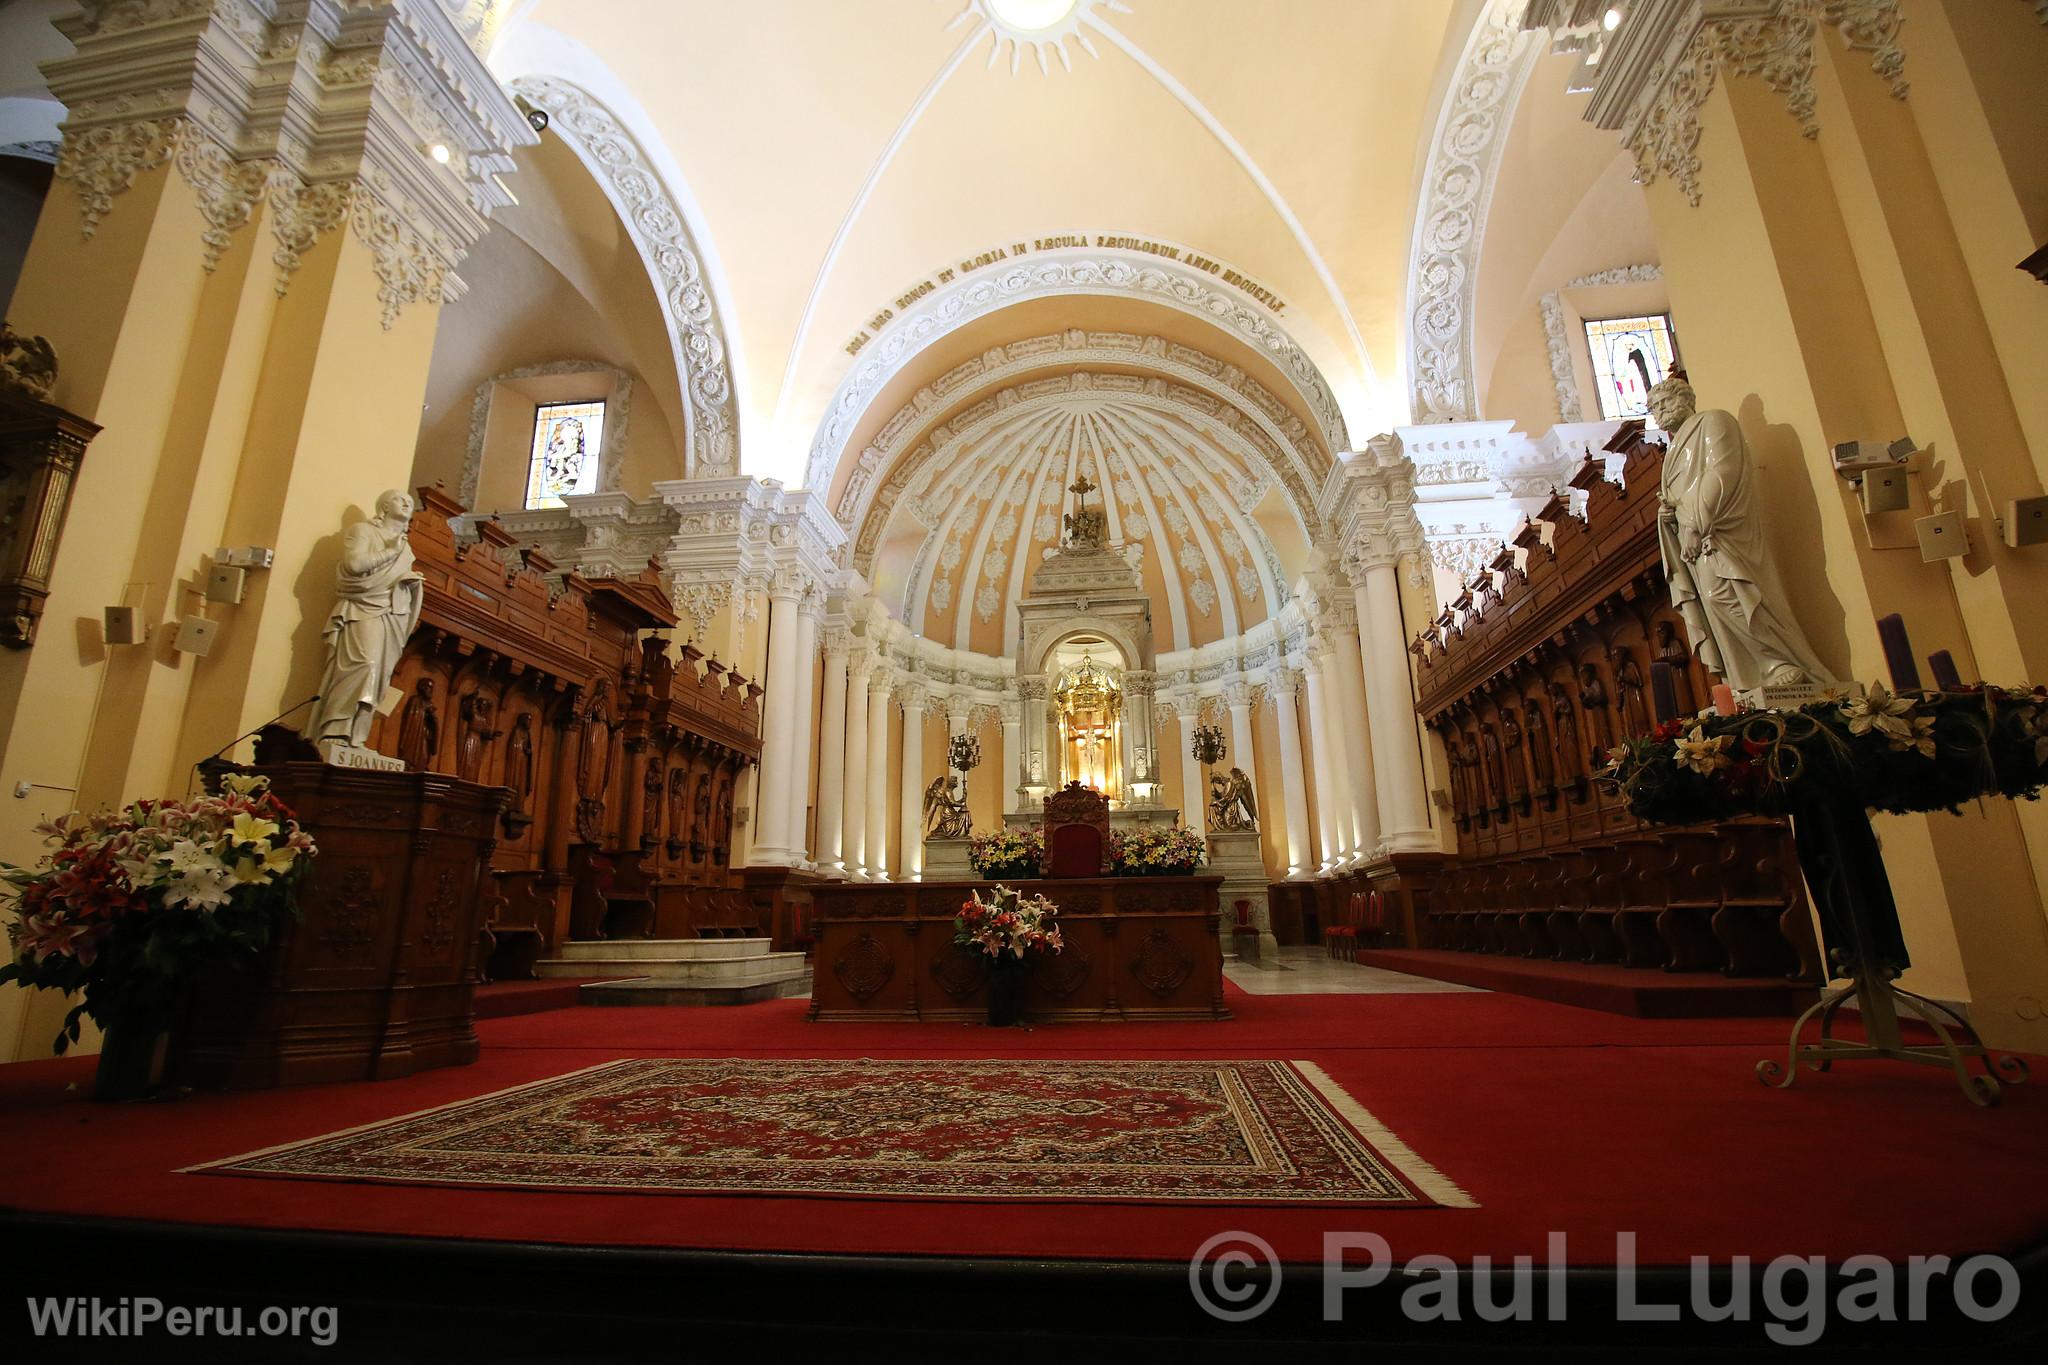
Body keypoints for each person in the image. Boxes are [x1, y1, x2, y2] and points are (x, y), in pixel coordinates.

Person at [1651, 374, 1831, 693]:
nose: (1659, 412)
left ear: (1683, 398)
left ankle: (1778, 661)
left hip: (1719, 534)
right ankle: (1751, 673)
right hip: (1694, 541)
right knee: (1716, 601)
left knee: (1735, 595)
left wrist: (1695, 524)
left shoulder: (1714, 422)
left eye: (1663, 403)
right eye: (1654, 408)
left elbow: (1722, 474)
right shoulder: (1673, 449)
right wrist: (1669, 517)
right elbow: (1676, 495)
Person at [309, 490, 424, 752]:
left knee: (380, 675)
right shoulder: (363, 531)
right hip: (363, 608)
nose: (407, 502)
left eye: (409, 501)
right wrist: (389, 552)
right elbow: (354, 566)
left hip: (391, 611)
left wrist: (410, 584)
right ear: (383, 506)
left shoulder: (406, 547)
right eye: (398, 499)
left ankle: (357, 737)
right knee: (363, 665)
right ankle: (334, 731)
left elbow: (395, 577)